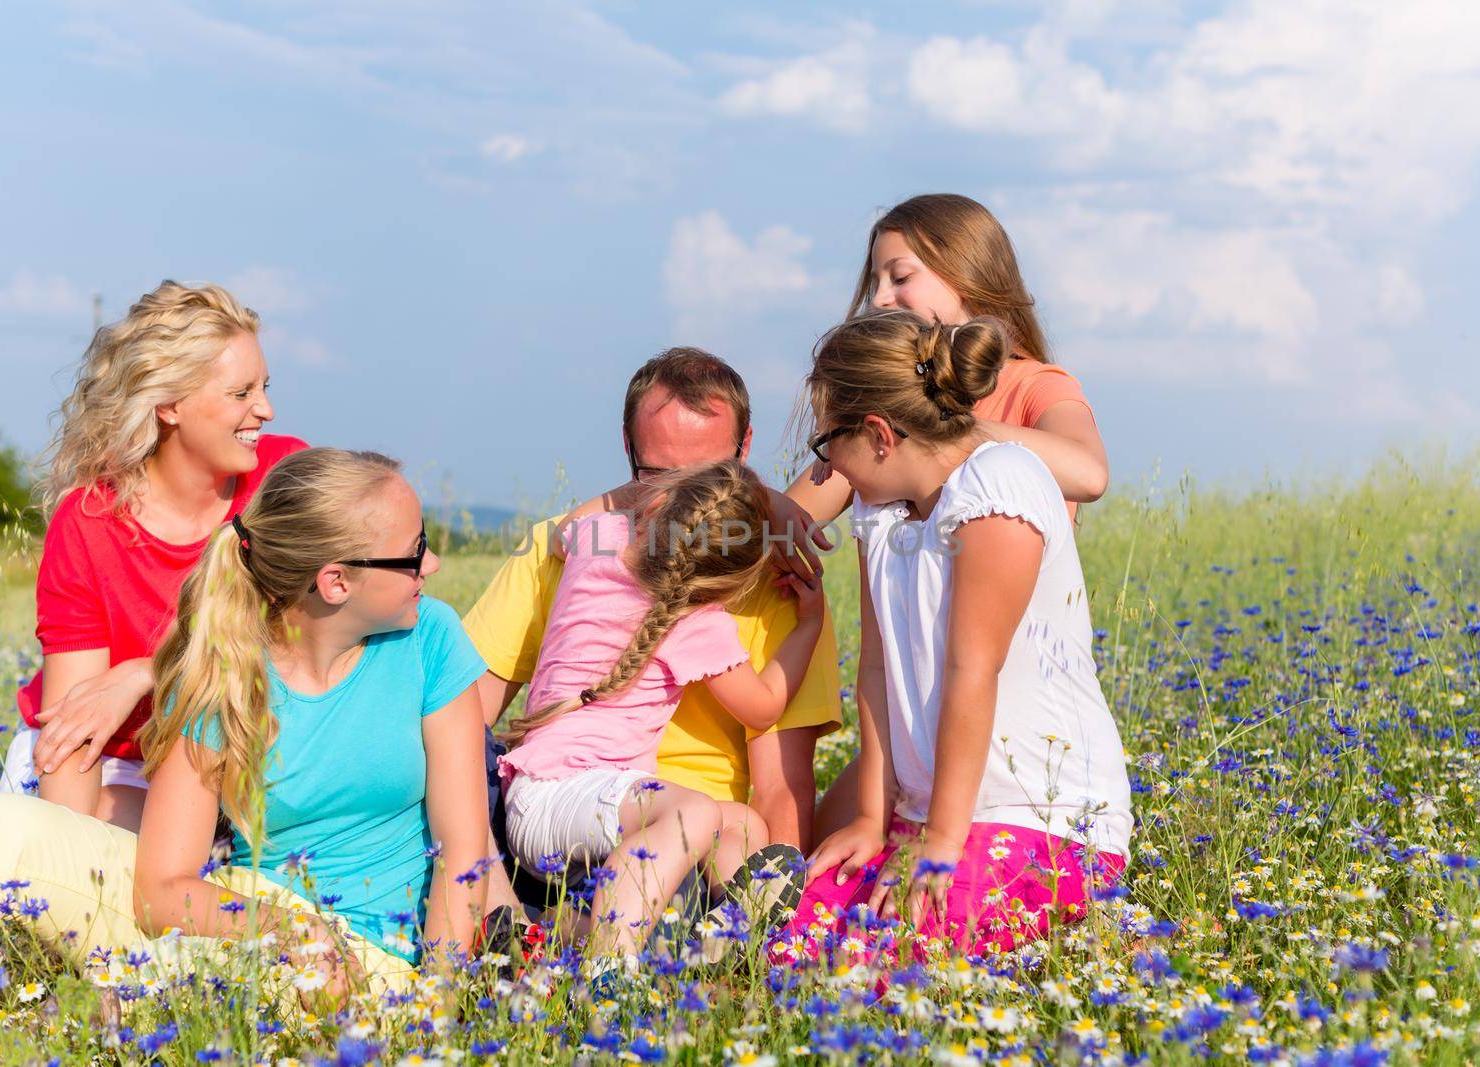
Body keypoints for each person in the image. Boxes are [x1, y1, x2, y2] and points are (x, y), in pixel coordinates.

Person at [0, 449, 491, 991]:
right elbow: (162, 887)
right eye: (415, 551)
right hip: (244, 925)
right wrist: (285, 929)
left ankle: (127, 1003)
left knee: (242, 984)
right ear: (336, 581)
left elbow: (463, 852)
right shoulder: (225, 669)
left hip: (369, 965)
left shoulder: (431, 640)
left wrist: (432, 1009)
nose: (432, 565)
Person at [786, 312, 1132, 955]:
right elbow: (878, 668)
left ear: (880, 435)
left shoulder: (999, 485)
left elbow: (974, 672)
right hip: (924, 818)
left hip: (1041, 817)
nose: (827, 461)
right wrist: (872, 817)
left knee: (894, 966)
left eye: (828, 440)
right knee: (797, 946)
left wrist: (942, 850)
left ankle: (1112, 930)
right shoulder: (880, 509)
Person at [785, 193, 1111, 842]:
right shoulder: (882, 436)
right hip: (920, 710)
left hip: (1008, 713)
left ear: (968, 274)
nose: (879, 297)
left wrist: (948, 427)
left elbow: (1089, 472)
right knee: (821, 849)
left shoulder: (1035, 384)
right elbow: (793, 517)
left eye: (900, 277)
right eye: (874, 281)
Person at [466, 348, 842, 910]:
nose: (673, 503)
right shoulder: (565, 552)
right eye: (658, 475)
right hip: (584, 826)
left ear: (745, 450)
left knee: (740, 841)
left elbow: (782, 783)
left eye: (709, 475)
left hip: (682, 836)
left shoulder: (774, 576)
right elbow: (465, 719)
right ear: (627, 446)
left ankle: (727, 933)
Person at [0, 280, 307, 830]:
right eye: (241, 393)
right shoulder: (90, 523)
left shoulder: (283, 480)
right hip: (113, 767)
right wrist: (73, 861)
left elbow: (305, 655)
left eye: (264, 386)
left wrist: (147, 672)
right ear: (168, 405)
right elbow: (76, 729)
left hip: (238, 756)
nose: (266, 408)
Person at [499, 461, 822, 955]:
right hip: (562, 800)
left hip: (545, 803)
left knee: (744, 826)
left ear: (652, 504)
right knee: (693, 810)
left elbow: (566, 526)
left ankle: (722, 932)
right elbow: (763, 708)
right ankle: (610, 968)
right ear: (731, 583)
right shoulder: (699, 622)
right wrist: (808, 626)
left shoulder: (594, 540)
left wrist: (646, 487)